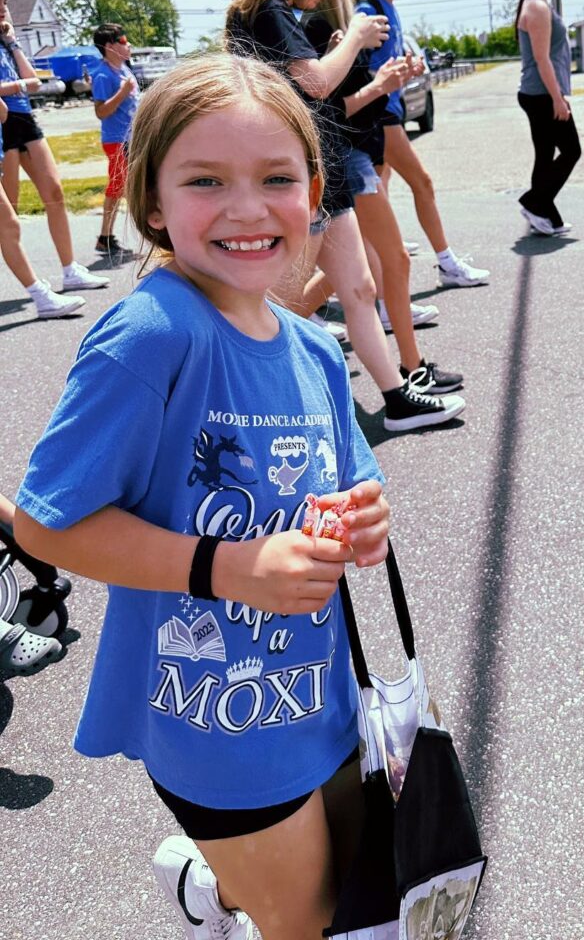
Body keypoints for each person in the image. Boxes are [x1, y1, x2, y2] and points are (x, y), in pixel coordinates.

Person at [13, 53, 392, 940]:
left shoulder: (312, 347)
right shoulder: (153, 331)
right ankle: (226, 884)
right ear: (152, 202)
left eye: (276, 178)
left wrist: (367, 511)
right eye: (206, 181)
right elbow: (45, 521)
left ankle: (212, 887)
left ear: (314, 193)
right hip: (215, 719)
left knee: (353, 886)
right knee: (313, 921)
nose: (249, 207)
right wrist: (222, 566)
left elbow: (351, 478)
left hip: (324, 695)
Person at [225, 0, 463, 432]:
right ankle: (254, 405)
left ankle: (397, 399)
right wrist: (353, 39)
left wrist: (349, 51)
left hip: (323, 167)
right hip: (292, 172)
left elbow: (321, 88)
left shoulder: (284, 12)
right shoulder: (265, 10)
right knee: (283, 301)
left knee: (357, 288)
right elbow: (312, 83)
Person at [357, 0, 490, 290]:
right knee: (422, 183)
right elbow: (359, 68)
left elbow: (383, 64)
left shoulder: (388, 6)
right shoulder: (369, 11)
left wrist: (406, 68)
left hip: (389, 112)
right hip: (380, 115)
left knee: (375, 199)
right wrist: (384, 79)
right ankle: (445, 263)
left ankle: (372, 275)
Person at [0, 0, 108, 292]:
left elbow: (32, 81)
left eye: (5, 3)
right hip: (2, 122)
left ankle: (70, 269)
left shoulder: (6, 42)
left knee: (55, 193)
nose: (2, 9)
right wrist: (20, 83)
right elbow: (27, 82)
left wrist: (13, 43)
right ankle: (33, 286)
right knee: (10, 211)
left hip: (24, 118)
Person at [0, 96, 85, 318]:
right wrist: (19, 87)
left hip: (20, 122)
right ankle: (41, 296)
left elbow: (3, 111)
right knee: (8, 224)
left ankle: (42, 295)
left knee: (8, 224)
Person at [514, 0, 580, 237]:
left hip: (538, 93)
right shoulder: (537, 8)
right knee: (571, 150)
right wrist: (557, 98)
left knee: (545, 154)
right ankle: (534, 202)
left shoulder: (537, 5)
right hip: (541, 94)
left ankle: (543, 215)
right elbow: (542, 59)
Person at [90, 22, 139, 261]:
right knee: (118, 187)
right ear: (109, 46)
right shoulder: (103, 74)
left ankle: (106, 236)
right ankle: (105, 237)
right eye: (123, 41)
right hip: (115, 140)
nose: (128, 45)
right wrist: (121, 93)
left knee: (128, 186)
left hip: (131, 137)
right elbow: (101, 112)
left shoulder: (124, 70)